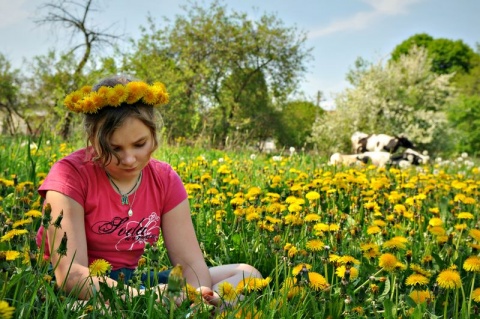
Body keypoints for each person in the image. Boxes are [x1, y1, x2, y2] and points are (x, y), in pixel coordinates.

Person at [36, 75, 262, 307]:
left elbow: (190, 262)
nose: (129, 159)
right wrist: (147, 298)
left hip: (131, 280)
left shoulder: (164, 179)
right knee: (89, 309)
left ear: (154, 135)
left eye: (139, 144)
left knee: (247, 274)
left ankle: (202, 309)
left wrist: (197, 296)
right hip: (77, 287)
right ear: (92, 139)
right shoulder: (69, 177)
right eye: (114, 148)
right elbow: (71, 275)